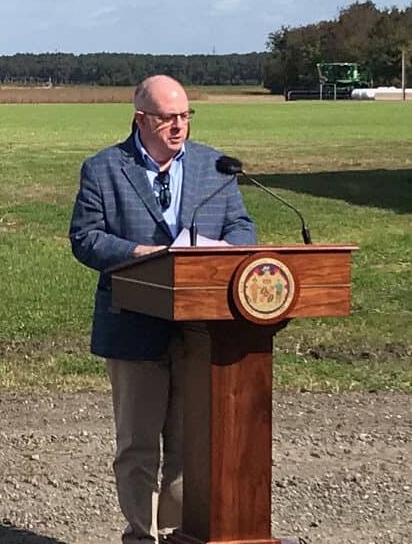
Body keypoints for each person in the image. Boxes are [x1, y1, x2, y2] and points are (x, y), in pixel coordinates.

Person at [68, 75, 256, 543]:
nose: (178, 127)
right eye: (167, 118)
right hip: (133, 324)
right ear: (140, 120)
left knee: (190, 444)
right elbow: (86, 238)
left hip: (201, 328)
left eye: (185, 116)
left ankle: (179, 533)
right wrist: (136, 254)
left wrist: (224, 249)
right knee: (137, 445)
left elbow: (242, 227)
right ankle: (140, 534)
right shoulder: (104, 169)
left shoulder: (216, 166)